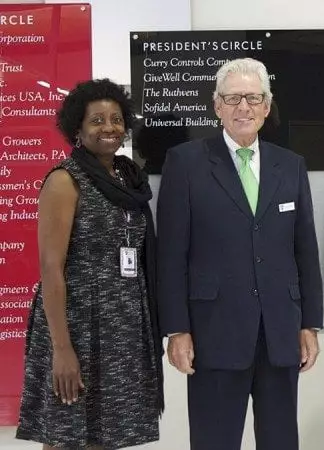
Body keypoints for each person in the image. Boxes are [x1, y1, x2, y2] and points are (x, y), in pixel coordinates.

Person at [157, 57, 323, 450]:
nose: (243, 107)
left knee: (281, 440)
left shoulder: (291, 165)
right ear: (217, 106)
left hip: (280, 332)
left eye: (252, 98)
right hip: (214, 332)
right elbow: (171, 254)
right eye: (232, 98)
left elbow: (305, 249)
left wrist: (310, 323)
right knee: (215, 441)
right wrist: (177, 329)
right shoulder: (185, 163)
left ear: (267, 106)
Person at [16, 79, 163, 449]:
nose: (109, 127)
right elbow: (51, 269)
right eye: (96, 120)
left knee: (107, 433)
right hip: (76, 325)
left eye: (116, 119)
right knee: (66, 432)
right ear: (77, 129)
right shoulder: (65, 181)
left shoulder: (129, 179)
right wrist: (62, 349)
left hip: (123, 326)